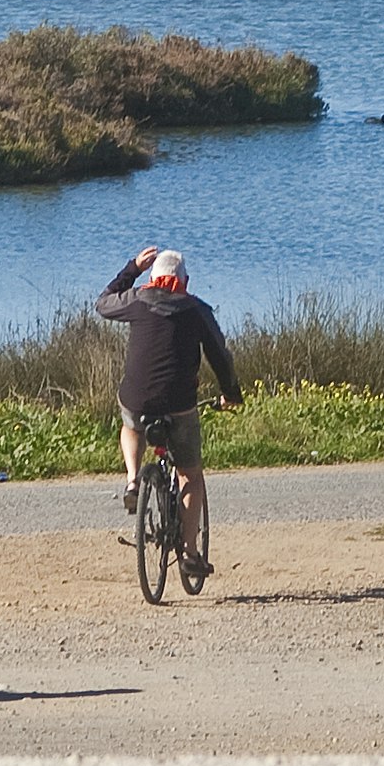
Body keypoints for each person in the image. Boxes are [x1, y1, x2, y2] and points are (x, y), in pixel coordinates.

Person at [96, 245, 241, 581]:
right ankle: (190, 553)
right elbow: (220, 355)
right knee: (189, 473)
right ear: (185, 281)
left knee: (130, 425)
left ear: (152, 277)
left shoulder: (136, 300)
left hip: (137, 398)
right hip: (179, 404)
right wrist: (230, 392)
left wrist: (131, 267)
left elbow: (103, 302)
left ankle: (134, 480)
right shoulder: (197, 310)